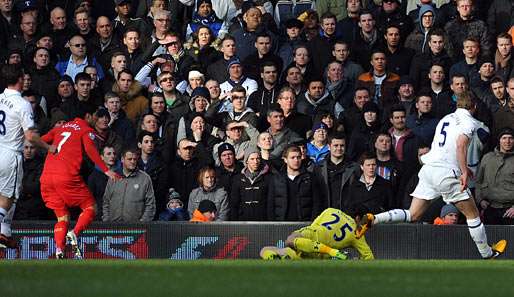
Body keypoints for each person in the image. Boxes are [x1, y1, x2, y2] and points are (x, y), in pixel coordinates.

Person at [357, 93, 507, 259]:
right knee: (473, 214)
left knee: (413, 214)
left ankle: (373, 219)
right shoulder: (469, 122)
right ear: (475, 107)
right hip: (446, 173)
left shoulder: (446, 119)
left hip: (429, 170)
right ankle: (487, 253)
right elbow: (460, 145)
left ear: (458, 105)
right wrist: (464, 171)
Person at [40, 102, 120, 259]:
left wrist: (46, 147)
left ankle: (59, 250)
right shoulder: (85, 130)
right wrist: (106, 170)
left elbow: (39, 141)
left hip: (47, 178)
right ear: (88, 116)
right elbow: (90, 149)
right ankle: (74, 233)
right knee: (90, 207)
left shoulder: (60, 128)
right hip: (67, 177)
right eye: (95, 116)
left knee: (62, 217)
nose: (97, 119)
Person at [0, 65, 52, 249]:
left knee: (6, 194)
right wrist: (48, 147)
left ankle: (4, 233)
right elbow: (30, 135)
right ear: (20, 80)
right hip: (10, 154)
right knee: (8, 196)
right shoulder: (22, 104)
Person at [260, 207, 374, 260]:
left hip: (312, 237)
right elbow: (369, 257)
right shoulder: (357, 235)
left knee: (285, 242)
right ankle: (282, 257)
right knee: (270, 249)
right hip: (319, 256)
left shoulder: (332, 210)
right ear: (358, 218)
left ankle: (275, 257)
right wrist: (357, 261)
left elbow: (314, 224)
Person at [102, 147, 156, 223]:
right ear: (122, 159)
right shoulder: (113, 176)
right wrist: (107, 221)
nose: (133, 161)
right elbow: (106, 201)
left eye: (135, 159)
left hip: (136, 228)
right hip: (113, 226)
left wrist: (142, 223)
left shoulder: (145, 178)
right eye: (129, 159)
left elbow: (150, 205)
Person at [475, 128, 514, 225]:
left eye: (511, 138)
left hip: (510, 210)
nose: (507, 141)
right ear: (499, 140)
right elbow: (478, 181)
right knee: (492, 239)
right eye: (504, 138)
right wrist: (480, 200)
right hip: (490, 208)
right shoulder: (487, 158)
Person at [230, 147, 271, 221]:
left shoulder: (268, 178)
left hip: (262, 220)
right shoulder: (238, 179)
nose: (255, 162)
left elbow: (270, 203)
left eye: (258, 158)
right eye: (252, 159)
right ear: (246, 161)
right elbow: (234, 203)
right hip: (243, 220)